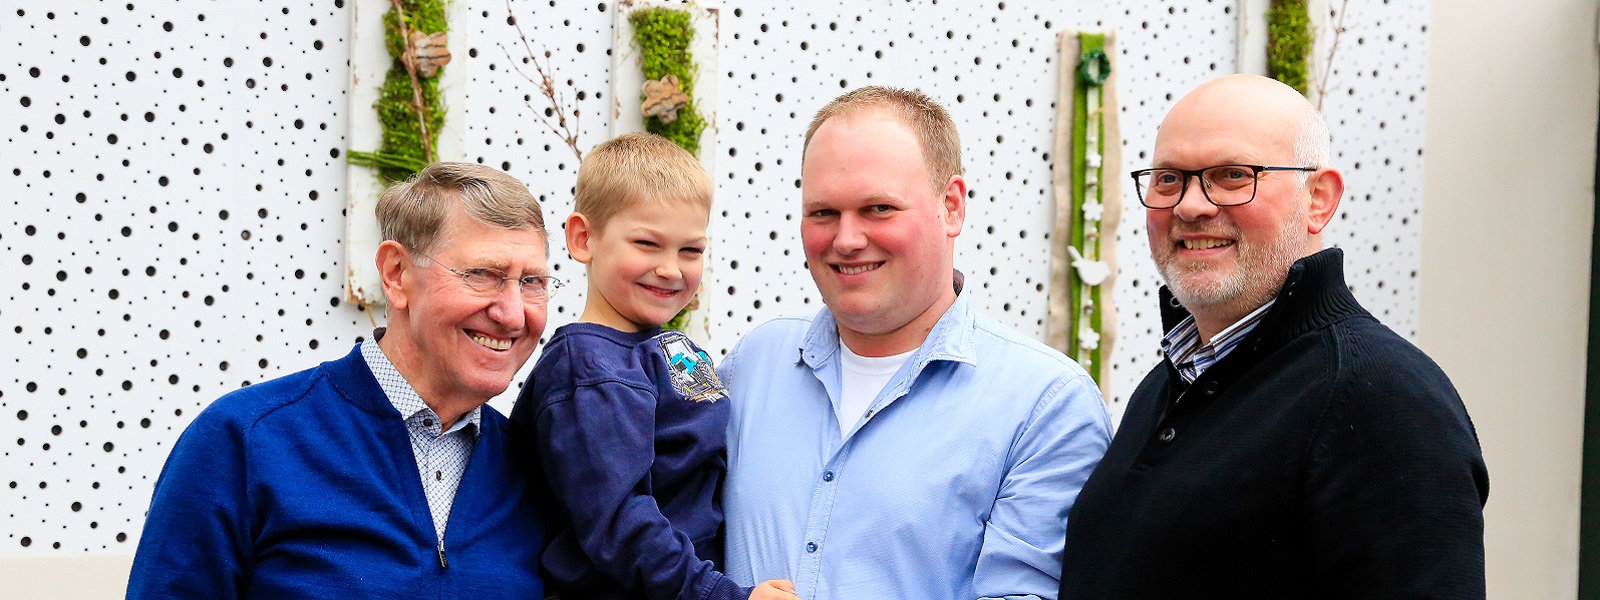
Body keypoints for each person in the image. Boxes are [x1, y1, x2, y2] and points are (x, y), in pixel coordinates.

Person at [1060, 74, 1490, 598]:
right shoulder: (1171, 384)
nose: (1191, 205)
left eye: (1232, 175)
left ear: (1318, 200)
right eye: (1169, 179)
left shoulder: (1382, 397)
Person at [718, 86, 1113, 600]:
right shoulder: (753, 365)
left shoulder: (1046, 405)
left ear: (951, 207)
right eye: (823, 213)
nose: (846, 239)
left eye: (879, 208)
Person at [127, 163, 555, 598]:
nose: (513, 314)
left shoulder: (539, 469)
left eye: (531, 282)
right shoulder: (246, 441)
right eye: (482, 275)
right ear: (396, 274)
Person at [510, 133, 796, 600]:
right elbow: (620, 521)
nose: (671, 269)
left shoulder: (666, 347)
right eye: (647, 243)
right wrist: (722, 596)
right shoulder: (589, 368)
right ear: (584, 239)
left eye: (691, 251)